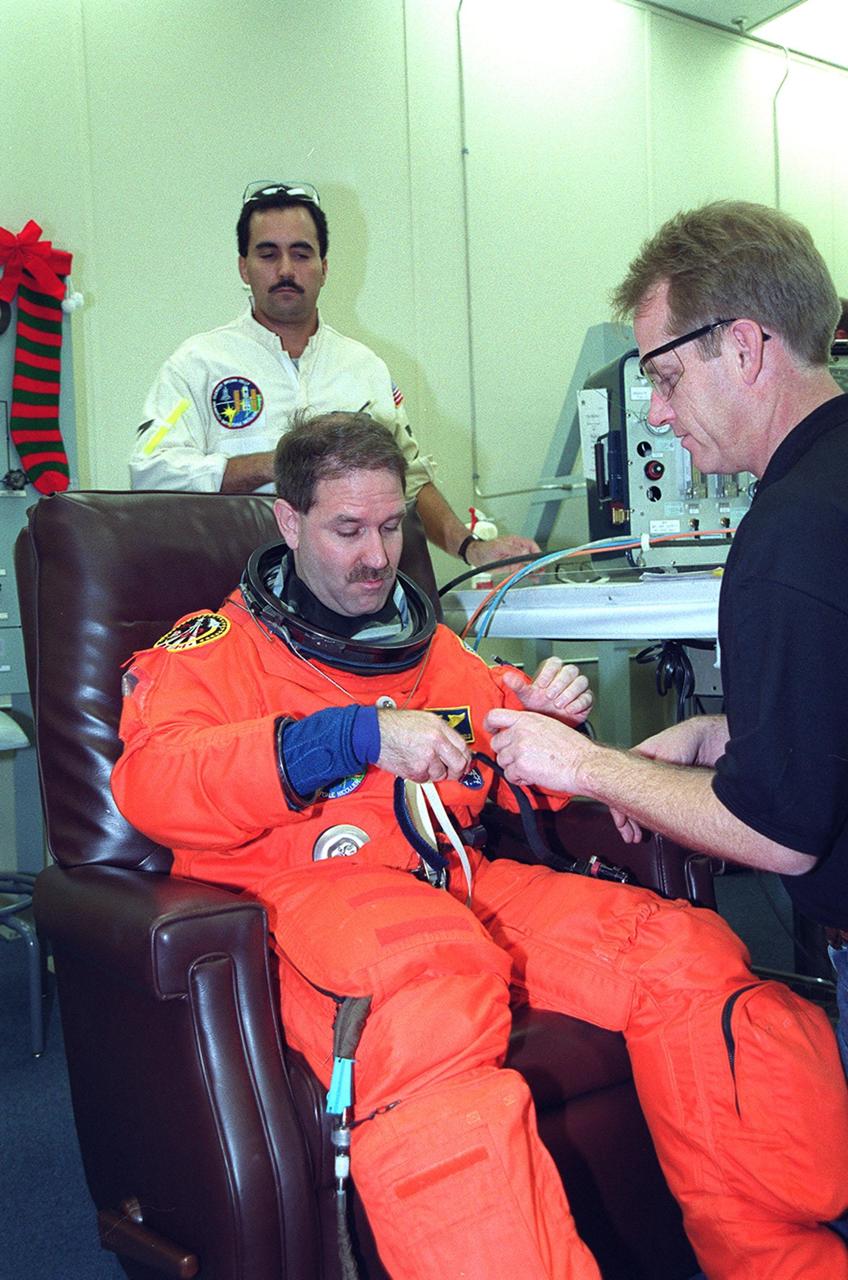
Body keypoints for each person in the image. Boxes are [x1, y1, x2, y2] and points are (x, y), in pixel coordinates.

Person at [112, 410, 848, 1280]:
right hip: (299, 894)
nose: (378, 556)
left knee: (684, 955)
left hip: (453, 878)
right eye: (347, 530)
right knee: (436, 982)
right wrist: (348, 738)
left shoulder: (431, 653)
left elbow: (501, 770)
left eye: (390, 527)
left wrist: (552, 728)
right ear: (288, 520)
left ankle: (784, 1263)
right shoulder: (211, 654)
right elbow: (155, 783)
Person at [487, 199, 848, 1082]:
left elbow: (778, 834)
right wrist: (722, 733)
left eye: (667, 377)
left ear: (747, 347)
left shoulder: (788, 537)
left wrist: (585, 767)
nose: (655, 414)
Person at [129, 180, 537, 570]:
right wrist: (272, 464)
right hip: (233, 586)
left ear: (324, 267)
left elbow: (410, 478)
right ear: (243, 267)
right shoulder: (196, 365)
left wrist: (471, 548)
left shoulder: (363, 369)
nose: (286, 269)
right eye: (268, 254)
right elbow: (149, 470)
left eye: (302, 254)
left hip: (350, 595)